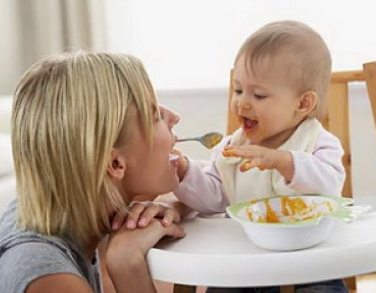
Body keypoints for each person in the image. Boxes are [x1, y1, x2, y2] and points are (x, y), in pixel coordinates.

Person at [173, 20, 348, 293]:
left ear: (302, 104)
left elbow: (330, 187)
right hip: (243, 262)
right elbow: (213, 198)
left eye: (258, 95)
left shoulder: (317, 142)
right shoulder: (234, 147)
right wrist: (184, 169)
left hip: (309, 263)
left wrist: (283, 162)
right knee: (219, 288)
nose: (242, 102)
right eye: (239, 90)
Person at [0, 51, 187, 293]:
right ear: (115, 165)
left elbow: (184, 187)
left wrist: (168, 207)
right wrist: (127, 266)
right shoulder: (48, 279)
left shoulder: (54, 205)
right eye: (156, 116)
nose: (174, 118)